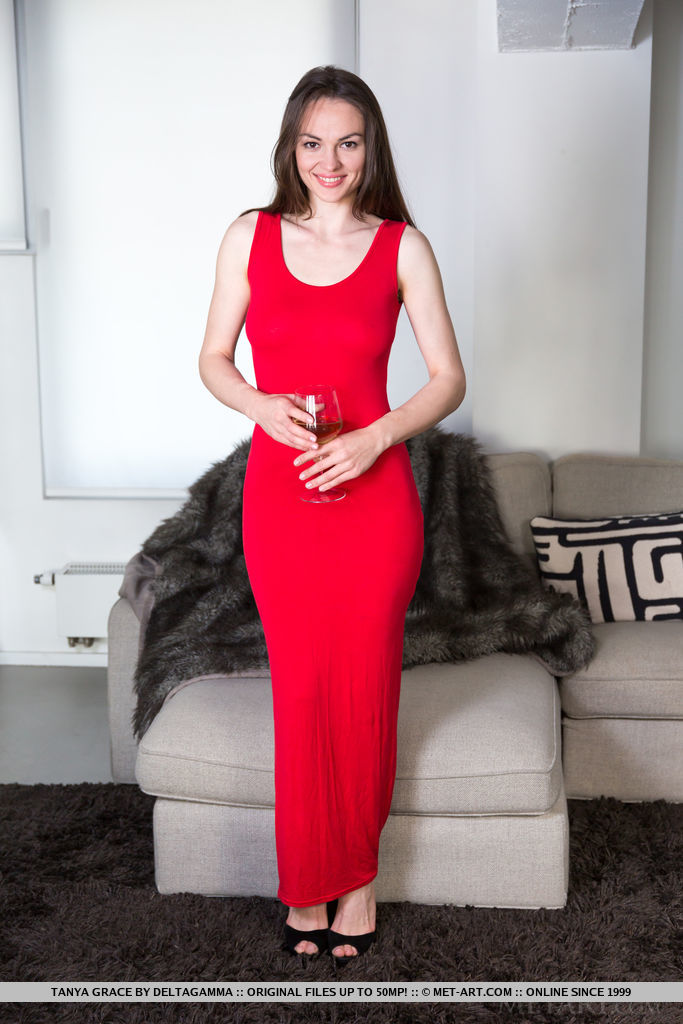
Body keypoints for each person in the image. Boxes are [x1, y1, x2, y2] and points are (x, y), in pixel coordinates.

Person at [198, 65, 465, 962]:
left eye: (348, 142)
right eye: (313, 142)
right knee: (304, 694)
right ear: (291, 147)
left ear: (369, 148)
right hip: (282, 500)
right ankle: (306, 883)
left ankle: (358, 884)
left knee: (364, 694)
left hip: (373, 503)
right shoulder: (249, 235)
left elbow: (448, 378)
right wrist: (259, 405)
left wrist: (378, 436)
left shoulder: (403, 247)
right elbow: (212, 357)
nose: (330, 161)